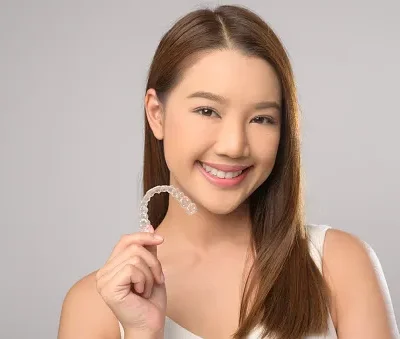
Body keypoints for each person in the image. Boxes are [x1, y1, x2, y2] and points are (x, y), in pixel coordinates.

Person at [57, 5, 399, 339]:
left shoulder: (338, 266)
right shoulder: (96, 305)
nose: (234, 146)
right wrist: (142, 332)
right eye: (207, 111)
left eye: (261, 118)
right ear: (156, 114)